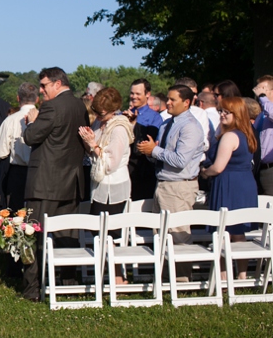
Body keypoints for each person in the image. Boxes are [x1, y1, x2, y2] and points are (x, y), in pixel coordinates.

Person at [22, 67, 88, 300]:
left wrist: (32, 121)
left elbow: (31, 137)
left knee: (33, 234)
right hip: (72, 180)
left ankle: (32, 288)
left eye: (44, 85)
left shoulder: (51, 107)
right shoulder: (80, 106)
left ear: (58, 83)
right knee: (67, 235)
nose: (41, 90)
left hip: (46, 182)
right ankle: (68, 283)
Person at [137, 85, 205, 281]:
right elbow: (163, 157)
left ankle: (182, 281)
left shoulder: (190, 127)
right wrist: (150, 152)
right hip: (163, 183)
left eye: (173, 100)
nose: (168, 103)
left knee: (178, 235)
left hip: (179, 186)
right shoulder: (167, 124)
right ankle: (165, 279)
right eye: (168, 98)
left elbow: (180, 161)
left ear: (186, 102)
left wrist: (155, 151)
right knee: (161, 235)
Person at [78, 87, 134, 286]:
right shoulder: (100, 124)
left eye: (102, 113)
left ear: (114, 109)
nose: (99, 117)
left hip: (113, 187)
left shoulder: (118, 128)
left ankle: (118, 278)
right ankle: (104, 275)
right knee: (98, 233)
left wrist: (93, 144)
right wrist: (88, 141)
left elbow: (110, 163)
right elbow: (92, 153)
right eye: (97, 112)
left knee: (111, 234)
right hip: (99, 186)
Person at [199, 97, 258, 280]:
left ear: (237, 114)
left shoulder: (230, 136)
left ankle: (224, 276)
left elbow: (218, 167)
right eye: (221, 111)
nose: (222, 115)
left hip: (229, 183)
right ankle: (241, 275)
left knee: (224, 232)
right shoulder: (247, 134)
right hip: (245, 182)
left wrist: (205, 172)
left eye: (226, 112)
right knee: (238, 231)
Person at [0, 82, 38, 212]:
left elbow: (1, 151)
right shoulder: (44, 118)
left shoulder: (10, 120)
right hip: (38, 174)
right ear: (37, 98)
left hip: (17, 173)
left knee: (16, 214)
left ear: (18, 98)